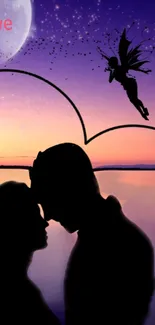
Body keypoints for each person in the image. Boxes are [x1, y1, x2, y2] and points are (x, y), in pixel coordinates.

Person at [30, 143, 154, 325]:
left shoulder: (109, 246)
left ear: (72, 190)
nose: (48, 215)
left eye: (49, 200)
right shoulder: (107, 237)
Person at [0, 181, 60, 325]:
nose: (45, 222)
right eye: (35, 214)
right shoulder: (19, 294)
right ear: (17, 223)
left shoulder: (20, 288)